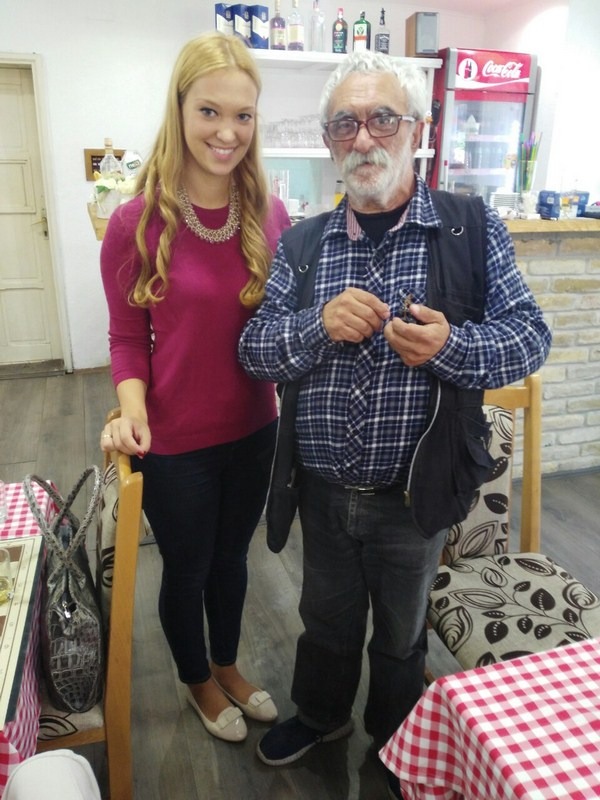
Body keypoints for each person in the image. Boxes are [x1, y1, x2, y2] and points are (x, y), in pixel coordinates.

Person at [238, 50, 551, 797]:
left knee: (403, 635)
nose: (364, 138)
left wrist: (452, 347)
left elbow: (529, 337)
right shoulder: (303, 243)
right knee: (324, 618)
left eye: (382, 118)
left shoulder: (469, 228)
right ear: (329, 143)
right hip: (320, 487)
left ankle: (398, 738)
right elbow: (254, 348)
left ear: (417, 130)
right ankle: (322, 716)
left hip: (416, 492)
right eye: (345, 124)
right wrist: (317, 326)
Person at [99, 32, 290, 744]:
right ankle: (196, 680)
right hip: (176, 440)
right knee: (186, 569)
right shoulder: (134, 222)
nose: (227, 132)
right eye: (210, 111)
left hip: (256, 427)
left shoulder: (270, 213)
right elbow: (126, 337)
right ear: (179, 109)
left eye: (243, 115)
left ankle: (226, 664)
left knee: (232, 561)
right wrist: (132, 411)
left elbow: (285, 327)